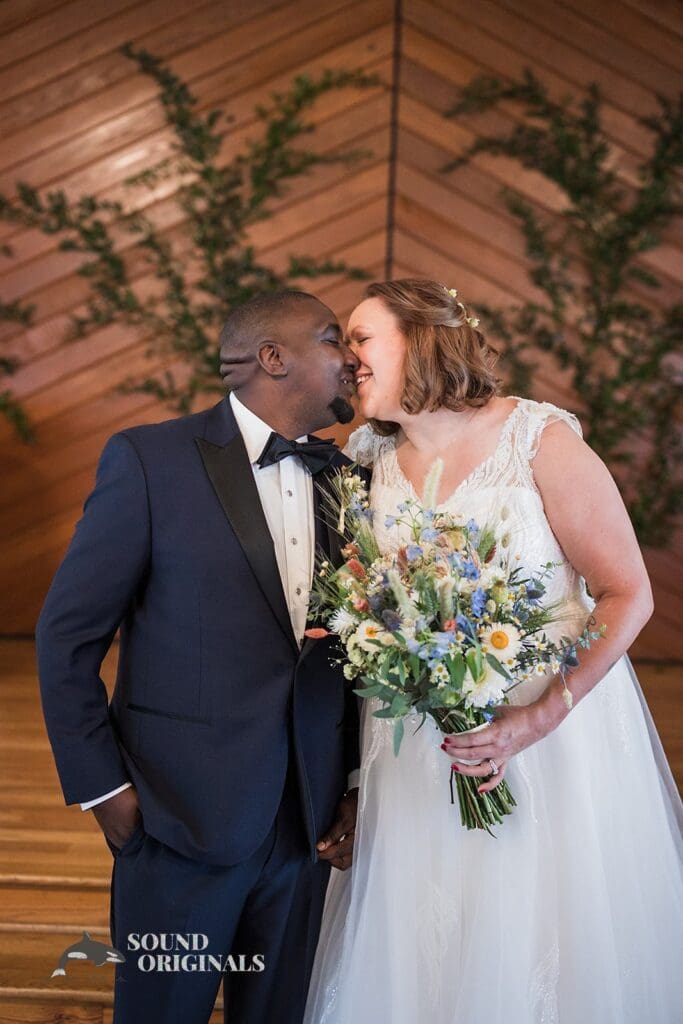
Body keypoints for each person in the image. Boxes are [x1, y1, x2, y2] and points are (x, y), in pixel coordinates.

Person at [304, 278, 683, 1024]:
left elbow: (625, 593)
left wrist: (536, 719)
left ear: (421, 339)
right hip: (413, 738)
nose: (346, 358)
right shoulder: (365, 459)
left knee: (540, 918)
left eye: (359, 337)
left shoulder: (537, 440)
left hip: (551, 734)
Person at [36, 290, 366, 1024]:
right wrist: (103, 791)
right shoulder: (150, 460)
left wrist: (349, 781)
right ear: (271, 357)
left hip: (308, 828)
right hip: (174, 818)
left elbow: (351, 657)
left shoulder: (351, 483)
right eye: (331, 338)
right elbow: (67, 637)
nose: (351, 359)